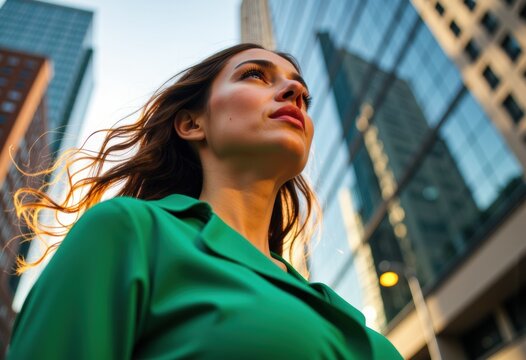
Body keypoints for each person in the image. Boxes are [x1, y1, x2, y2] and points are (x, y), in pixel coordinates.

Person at [7, 43, 402, 359]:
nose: (296, 92)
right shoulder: (129, 229)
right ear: (192, 124)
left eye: (302, 91)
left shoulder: (333, 305)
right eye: (254, 76)